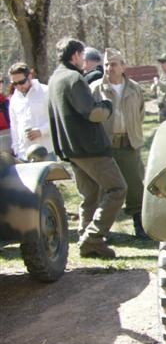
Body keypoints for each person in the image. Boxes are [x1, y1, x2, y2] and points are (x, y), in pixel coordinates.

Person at [48, 37, 127, 258]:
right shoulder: (73, 78)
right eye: (82, 55)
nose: (84, 60)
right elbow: (93, 112)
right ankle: (93, 238)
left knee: (90, 195)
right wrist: (107, 106)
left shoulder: (55, 79)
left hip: (71, 149)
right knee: (117, 189)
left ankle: (86, 237)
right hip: (90, 147)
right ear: (75, 55)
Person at [90, 48, 149, 239]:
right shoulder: (95, 89)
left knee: (135, 186)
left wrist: (133, 132)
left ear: (123, 66)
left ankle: (140, 226)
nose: (109, 68)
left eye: (114, 64)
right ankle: (102, 231)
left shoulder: (134, 88)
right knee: (105, 188)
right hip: (106, 146)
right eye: (106, 64)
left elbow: (140, 113)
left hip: (129, 143)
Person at [8, 62, 54, 160]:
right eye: (14, 84)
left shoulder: (46, 91)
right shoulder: (14, 99)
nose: (19, 86)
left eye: (21, 82)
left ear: (29, 77)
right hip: (24, 155)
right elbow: (14, 127)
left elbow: (56, 120)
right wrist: (17, 151)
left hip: (48, 151)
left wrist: (41, 131)